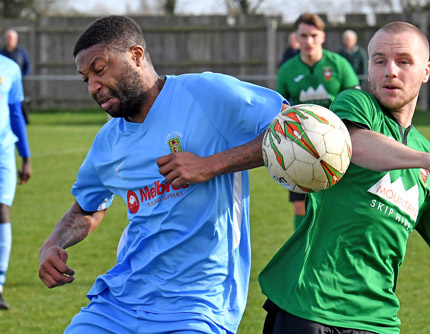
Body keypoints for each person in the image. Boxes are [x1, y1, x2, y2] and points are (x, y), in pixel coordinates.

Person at [38, 15, 288, 334]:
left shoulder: (206, 93)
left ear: (137, 55)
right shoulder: (107, 143)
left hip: (198, 306)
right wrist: (52, 243)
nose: (92, 87)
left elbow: (293, 129)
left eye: (99, 70)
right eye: (84, 78)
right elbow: (87, 208)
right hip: (119, 303)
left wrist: (213, 164)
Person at [259, 22, 430, 334]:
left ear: (426, 71)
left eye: (404, 61)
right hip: (310, 308)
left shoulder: (428, 167)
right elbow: (355, 144)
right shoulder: (357, 105)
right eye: (380, 60)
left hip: (378, 321)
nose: (390, 71)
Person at [276, 13, 360, 230]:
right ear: (296, 37)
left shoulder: (339, 65)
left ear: (322, 36)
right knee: (300, 207)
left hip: (337, 146)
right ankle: (302, 255)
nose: (309, 41)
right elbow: (278, 110)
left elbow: (357, 100)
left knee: (338, 205)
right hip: (299, 148)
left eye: (313, 35)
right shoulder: (287, 70)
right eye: (303, 35)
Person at [0, 54, 32, 310]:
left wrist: (26, 157)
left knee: (2, 210)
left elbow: (15, 113)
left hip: (4, 152)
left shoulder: (10, 68)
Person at [1, 29, 32, 124]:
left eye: (11, 38)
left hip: (18, 83)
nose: (10, 40)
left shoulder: (21, 53)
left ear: (16, 39)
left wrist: (22, 77)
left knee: (19, 102)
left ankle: (25, 121)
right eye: (8, 38)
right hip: (3, 84)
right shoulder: (2, 53)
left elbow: (27, 65)